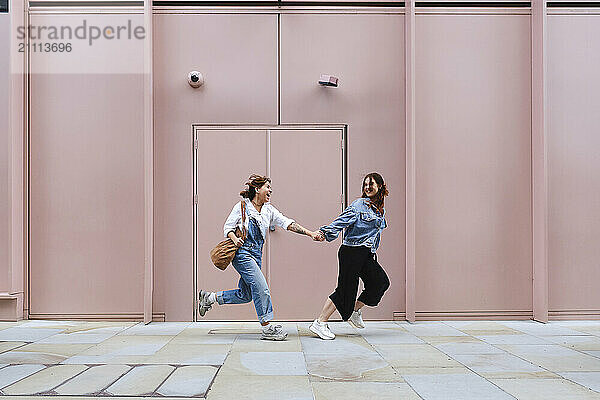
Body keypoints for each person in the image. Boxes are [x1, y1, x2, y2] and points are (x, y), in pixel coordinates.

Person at [198, 174, 322, 341]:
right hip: (242, 254)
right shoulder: (242, 207)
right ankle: (267, 326)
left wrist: (310, 233)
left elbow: (287, 223)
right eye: (267, 187)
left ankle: (210, 297)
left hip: (257, 254)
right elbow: (227, 227)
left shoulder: (269, 210)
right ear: (257, 189)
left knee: (246, 294)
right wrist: (235, 239)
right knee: (261, 287)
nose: (270, 191)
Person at [310, 172, 390, 340]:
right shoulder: (359, 205)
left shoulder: (379, 209)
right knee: (345, 290)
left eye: (371, 184)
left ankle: (354, 310)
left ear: (381, 186)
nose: (367, 187)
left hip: (366, 254)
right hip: (351, 253)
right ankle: (320, 322)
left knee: (380, 282)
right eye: (365, 184)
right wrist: (324, 233)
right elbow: (341, 221)